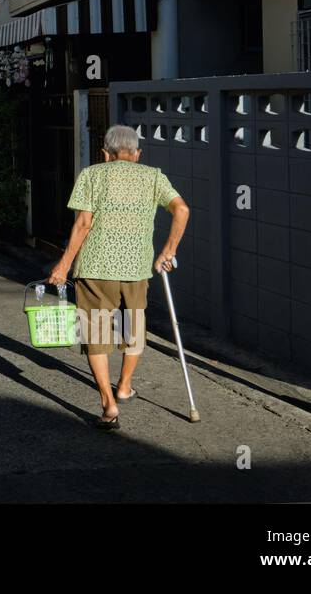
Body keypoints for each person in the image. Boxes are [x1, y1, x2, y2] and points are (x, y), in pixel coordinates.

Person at [48, 124, 190, 431]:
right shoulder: (153, 176)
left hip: (96, 268)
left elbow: (83, 224)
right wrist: (168, 250)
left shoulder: (92, 174)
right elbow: (181, 209)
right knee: (133, 328)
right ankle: (124, 387)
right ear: (137, 153)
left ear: (105, 153)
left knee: (96, 334)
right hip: (136, 269)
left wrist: (63, 265)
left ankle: (108, 405)